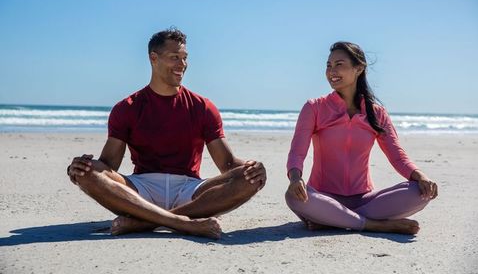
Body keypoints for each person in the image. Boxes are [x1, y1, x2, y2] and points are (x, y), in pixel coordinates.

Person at [67, 28, 266, 239]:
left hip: (190, 190)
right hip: (141, 189)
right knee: (85, 171)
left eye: (184, 58)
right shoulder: (127, 108)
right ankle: (181, 222)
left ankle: (146, 222)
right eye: (174, 58)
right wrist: (81, 168)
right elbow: (108, 165)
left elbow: (227, 164)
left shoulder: (203, 107)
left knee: (250, 178)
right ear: (154, 58)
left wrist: (253, 169)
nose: (182, 64)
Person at [285, 41, 437, 235]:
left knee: (420, 192)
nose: (332, 71)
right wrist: (295, 179)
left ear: (359, 68)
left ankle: (335, 220)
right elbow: (297, 151)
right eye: (328, 65)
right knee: (294, 197)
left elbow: (397, 156)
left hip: (365, 200)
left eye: (339, 64)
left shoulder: (376, 113)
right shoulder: (315, 107)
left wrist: (421, 177)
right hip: (323, 197)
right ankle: (374, 225)